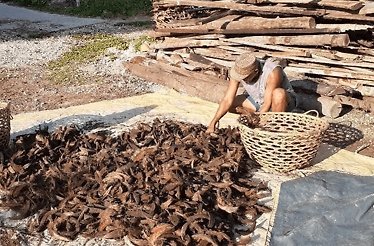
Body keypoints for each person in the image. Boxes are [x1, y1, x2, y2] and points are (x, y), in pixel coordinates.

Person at [206, 52, 297, 133]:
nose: (242, 80)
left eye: (245, 77)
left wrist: (257, 125)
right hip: (258, 101)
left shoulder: (273, 71)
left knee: (279, 94)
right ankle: (252, 115)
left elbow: (267, 104)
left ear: (255, 71)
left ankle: (276, 127)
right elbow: (227, 100)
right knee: (231, 104)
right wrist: (213, 122)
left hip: (279, 103)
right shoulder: (238, 70)